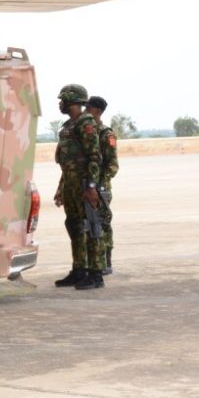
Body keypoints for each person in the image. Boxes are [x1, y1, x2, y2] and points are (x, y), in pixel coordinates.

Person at [52, 84, 105, 290]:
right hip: (71, 184)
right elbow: (67, 163)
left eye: (62, 100)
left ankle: (96, 273)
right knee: (74, 226)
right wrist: (61, 187)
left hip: (85, 185)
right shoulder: (68, 126)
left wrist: (91, 186)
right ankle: (79, 269)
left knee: (91, 227)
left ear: (72, 100)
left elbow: (95, 156)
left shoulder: (86, 123)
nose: (60, 104)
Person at [86, 96, 119, 275]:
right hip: (86, 187)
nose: (85, 110)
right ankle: (89, 263)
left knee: (102, 224)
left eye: (88, 108)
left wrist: (100, 185)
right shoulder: (85, 131)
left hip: (100, 188)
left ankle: (106, 261)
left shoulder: (106, 134)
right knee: (86, 226)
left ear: (98, 111)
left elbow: (113, 165)